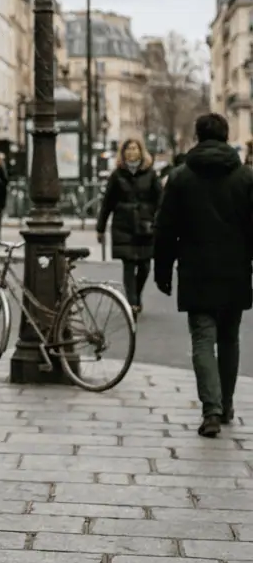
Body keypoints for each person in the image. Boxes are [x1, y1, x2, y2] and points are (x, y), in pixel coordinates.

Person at [154, 112, 253, 438]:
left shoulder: (181, 177)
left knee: (202, 339)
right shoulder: (245, 177)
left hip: (196, 269)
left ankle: (210, 410)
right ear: (226, 137)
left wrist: (163, 269)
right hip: (235, 269)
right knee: (229, 339)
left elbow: (165, 228)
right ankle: (225, 404)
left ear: (197, 136)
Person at [96, 138, 162, 315]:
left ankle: (137, 295)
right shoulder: (117, 175)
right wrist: (100, 227)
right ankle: (132, 302)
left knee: (145, 266)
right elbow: (107, 203)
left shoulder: (150, 174)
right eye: (128, 149)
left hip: (145, 226)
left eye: (135, 149)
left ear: (141, 152)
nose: (131, 152)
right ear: (123, 153)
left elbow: (160, 200)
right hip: (123, 225)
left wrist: (157, 219)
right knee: (129, 264)